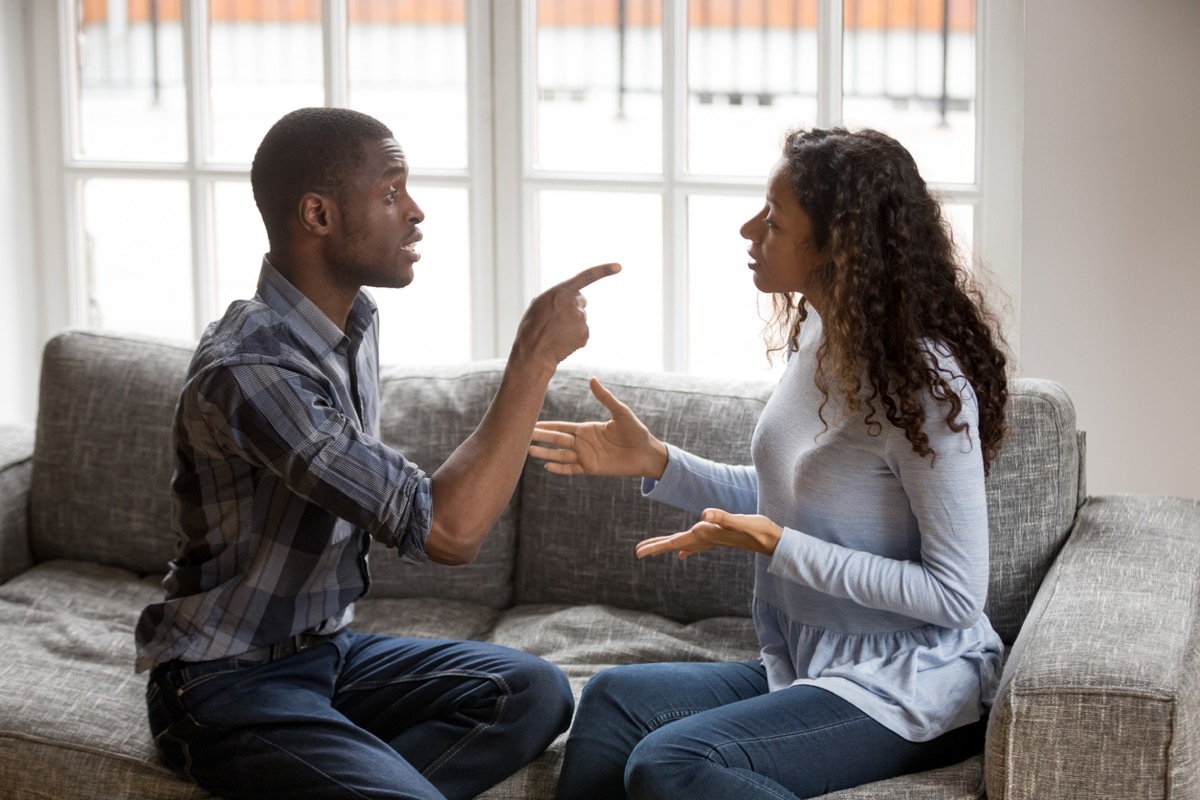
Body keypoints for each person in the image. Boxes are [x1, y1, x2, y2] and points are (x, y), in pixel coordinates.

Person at [134, 106, 619, 800]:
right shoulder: (255, 371)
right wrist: (533, 358)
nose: (415, 211)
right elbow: (449, 532)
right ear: (318, 215)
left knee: (532, 692)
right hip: (225, 680)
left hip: (327, 654)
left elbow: (413, 504)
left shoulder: (351, 326)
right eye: (391, 192)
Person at [530, 127, 1009, 800]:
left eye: (775, 219)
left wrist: (780, 546)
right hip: (815, 663)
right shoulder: (820, 336)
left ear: (836, 245)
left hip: (913, 683)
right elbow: (794, 498)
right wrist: (661, 463)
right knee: (612, 699)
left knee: (669, 764)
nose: (749, 227)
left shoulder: (924, 386)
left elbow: (956, 596)